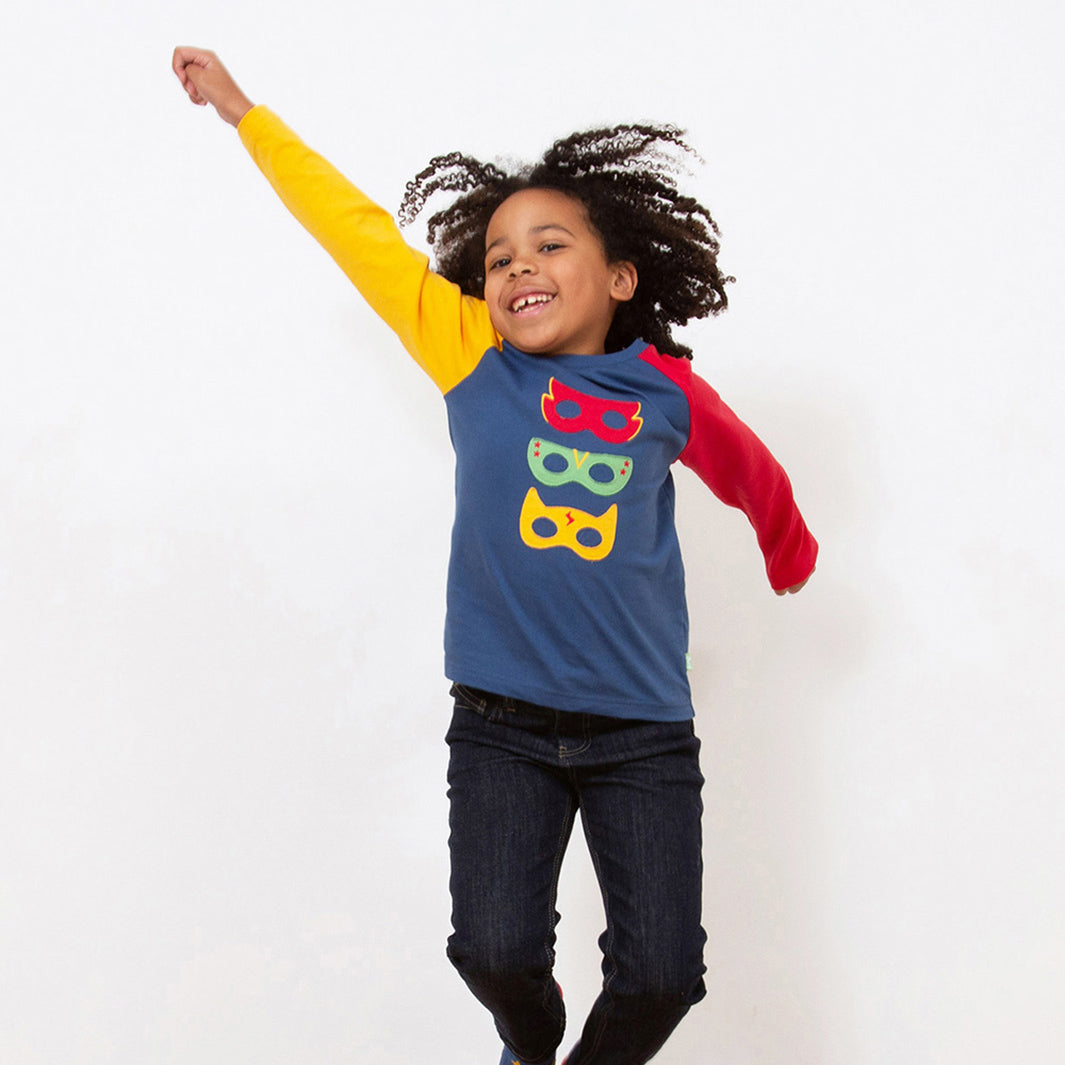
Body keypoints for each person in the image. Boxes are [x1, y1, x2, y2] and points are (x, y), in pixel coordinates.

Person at [171, 46, 818, 1065]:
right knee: (492, 955)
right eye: (500, 257)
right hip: (501, 726)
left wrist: (790, 554)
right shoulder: (468, 349)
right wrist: (245, 112)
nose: (518, 268)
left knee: (661, 978)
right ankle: (532, 1040)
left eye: (549, 246)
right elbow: (353, 230)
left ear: (619, 277)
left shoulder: (665, 393)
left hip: (642, 731)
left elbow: (752, 472)